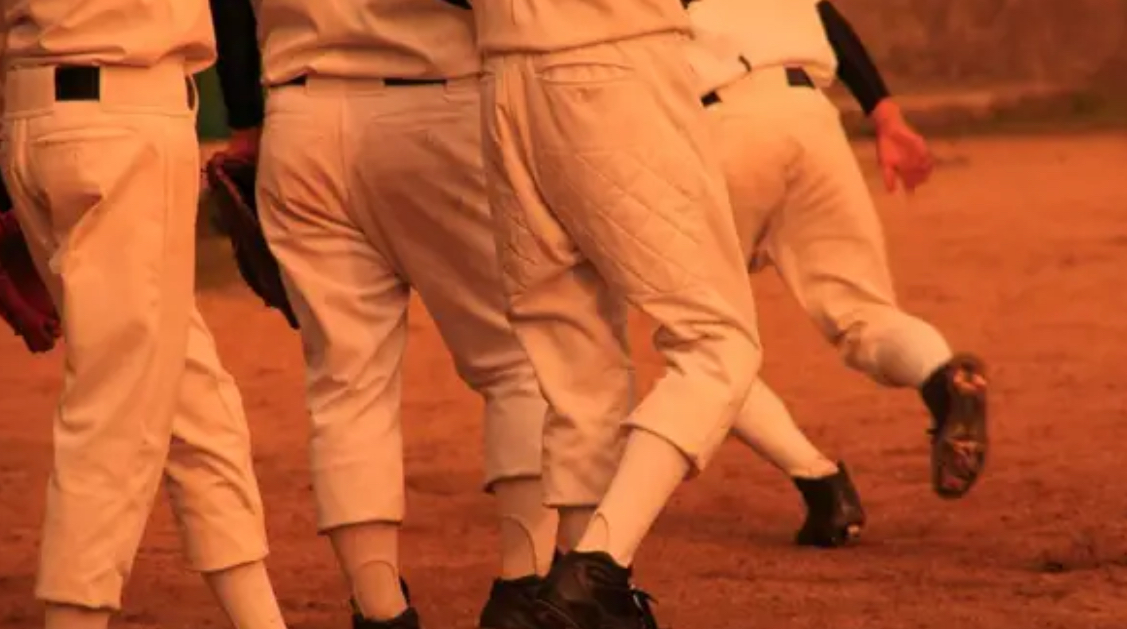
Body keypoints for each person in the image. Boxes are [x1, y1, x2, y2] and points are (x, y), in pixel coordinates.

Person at [206, 1, 559, 627]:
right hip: (437, 104)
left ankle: (379, 610)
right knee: (519, 358)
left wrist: (245, 117)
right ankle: (525, 590)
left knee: (346, 382)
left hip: (299, 115)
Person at [474, 1, 764, 627]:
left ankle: (572, 596)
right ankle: (598, 567)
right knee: (718, 341)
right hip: (616, 54)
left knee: (573, 357)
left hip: (503, 77)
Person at [0, 1, 289, 629]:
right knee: (114, 406)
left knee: (190, 394)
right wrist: (249, 111)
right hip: (126, 118)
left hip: (32, 115)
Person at [686, 0, 990, 515]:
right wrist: (887, 118)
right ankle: (943, 381)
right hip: (812, 119)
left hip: (723, 122)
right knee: (867, 315)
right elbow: (827, 18)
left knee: (700, 340)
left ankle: (821, 486)